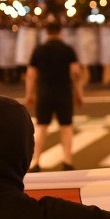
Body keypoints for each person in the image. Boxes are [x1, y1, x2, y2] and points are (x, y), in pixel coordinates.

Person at [26, 21, 84, 172]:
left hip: (44, 93)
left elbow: (31, 75)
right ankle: (67, 161)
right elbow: (76, 73)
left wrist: (29, 94)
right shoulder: (67, 50)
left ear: (47, 32)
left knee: (41, 127)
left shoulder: (39, 50)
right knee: (66, 127)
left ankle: (36, 161)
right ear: (60, 32)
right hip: (64, 93)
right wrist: (79, 93)